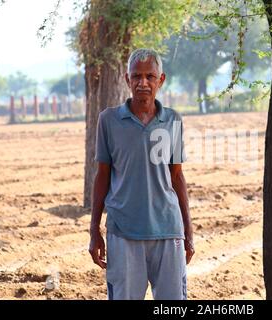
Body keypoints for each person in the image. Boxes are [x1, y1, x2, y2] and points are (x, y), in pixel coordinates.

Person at [88, 48, 194, 300]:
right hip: (123, 232)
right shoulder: (109, 120)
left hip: (168, 231)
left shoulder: (172, 120)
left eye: (149, 76)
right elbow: (102, 176)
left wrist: (188, 232)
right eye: (136, 76)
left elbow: (177, 176)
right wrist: (94, 231)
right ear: (127, 79)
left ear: (161, 79)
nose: (142, 83)